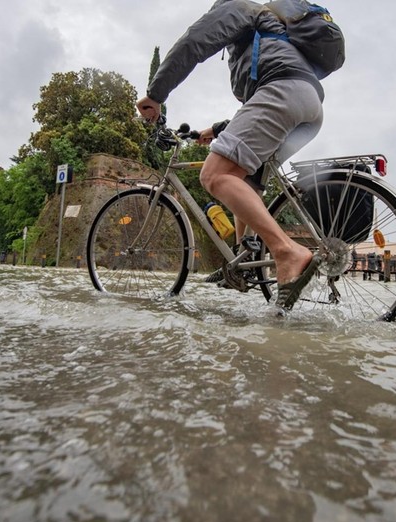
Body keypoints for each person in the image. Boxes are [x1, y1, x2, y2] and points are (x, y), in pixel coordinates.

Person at [137, 0, 331, 309]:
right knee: (244, 179)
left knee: (215, 175)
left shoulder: (240, 8)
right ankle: (244, 262)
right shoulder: (268, 35)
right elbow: (253, 111)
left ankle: (287, 252)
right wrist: (213, 130)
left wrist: (156, 94)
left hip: (283, 92)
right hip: (308, 105)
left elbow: (194, 42)